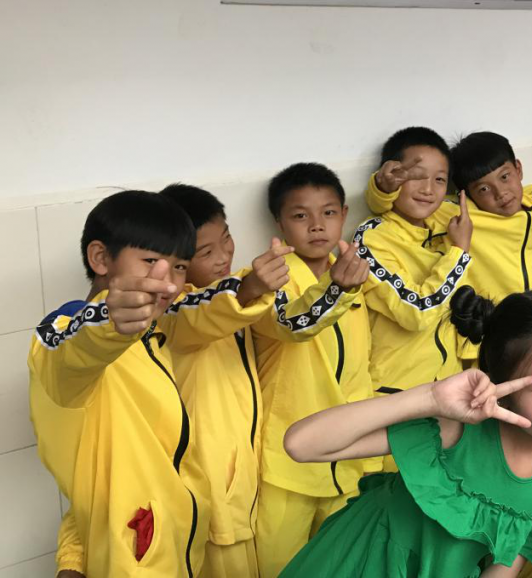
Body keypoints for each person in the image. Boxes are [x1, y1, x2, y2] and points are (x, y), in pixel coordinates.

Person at [28, 191, 287, 578]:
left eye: (179, 267)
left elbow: (198, 313)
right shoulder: (68, 341)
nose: (166, 281)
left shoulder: (155, 333)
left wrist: (251, 287)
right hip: (136, 555)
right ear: (100, 258)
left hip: (179, 542)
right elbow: (70, 348)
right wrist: (108, 319)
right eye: (151, 261)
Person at [278, 274, 532, 577]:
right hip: (358, 563)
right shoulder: (456, 430)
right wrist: (430, 397)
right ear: (503, 386)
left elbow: (506, 563)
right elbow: (301, 444)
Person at [252, 163, 375, 577]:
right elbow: (292, 325)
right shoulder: (266, 282)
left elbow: (363, 368)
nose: (317, 225)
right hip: (286, 466)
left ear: (344, 214)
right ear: (279, 222)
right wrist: (337, 289)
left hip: (348, 459)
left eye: (328, 212)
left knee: (344, 568)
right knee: (280, 569)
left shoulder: (358, 274)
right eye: (300, 215)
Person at [161, 183, 263, 578]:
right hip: (212, 486)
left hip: (246, 480)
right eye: (206, 252)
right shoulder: (173, 312)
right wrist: (249, 289)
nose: (223, 256)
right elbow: (202, 313)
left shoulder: (229, 293)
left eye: (227, 239)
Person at [366, 131, 532, 303]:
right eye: (484, 189)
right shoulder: (459, 213)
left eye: (505, 177)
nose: (501, 193)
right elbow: (388, 206)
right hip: (488, 324)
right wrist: (383, 187)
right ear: (466, 194)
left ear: (518, 170)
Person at [351, 128, 474, 403]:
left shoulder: (448, 220)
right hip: (397, 393)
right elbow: (415, 313)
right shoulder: (372, 237)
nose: (428, 190)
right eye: (417, 176)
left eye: (439, 179)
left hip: (451, 387)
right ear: (392, 174)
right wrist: (458, 254)